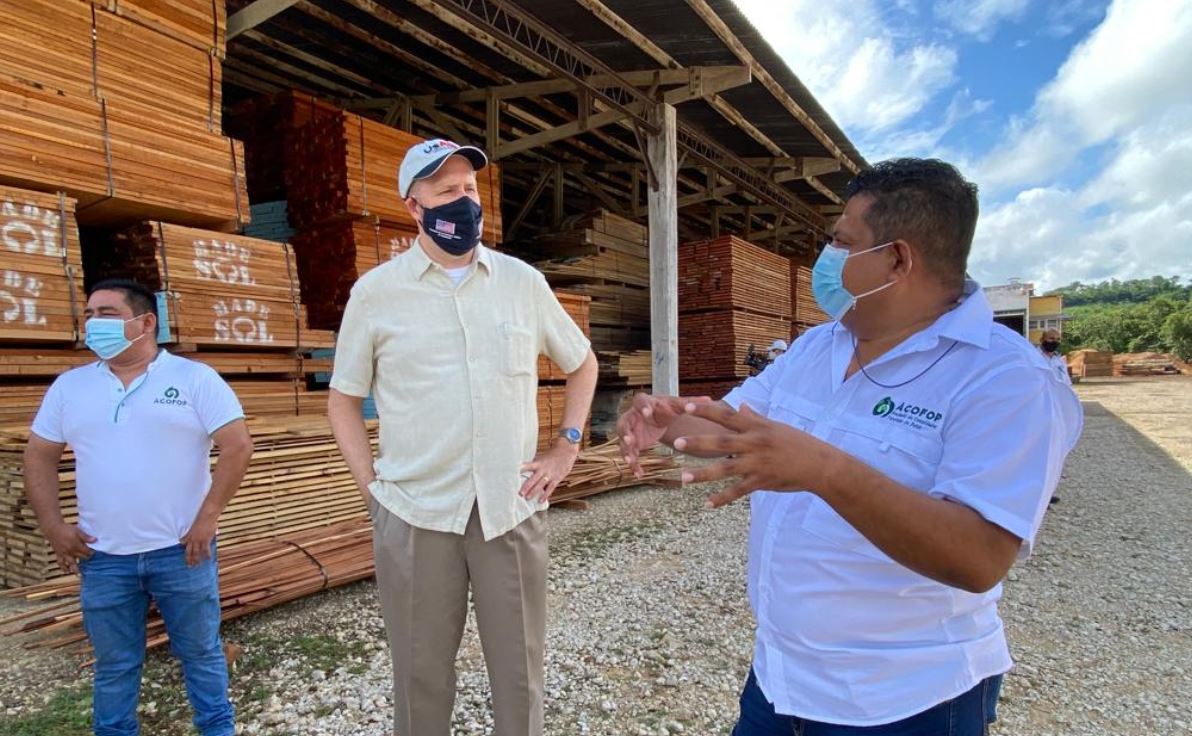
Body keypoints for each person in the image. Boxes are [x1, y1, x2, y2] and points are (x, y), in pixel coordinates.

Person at [618, 159, 1083, 735]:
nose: (825, 258)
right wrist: (662, 421)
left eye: (841, 243)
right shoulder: (818, 347)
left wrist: (825, 470)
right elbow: (735, 428)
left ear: (897, 259)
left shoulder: (1006, 380)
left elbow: (979, 557)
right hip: (781, 680)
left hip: (907, 701)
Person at [327, 138, 598, 736]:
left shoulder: (520, 283)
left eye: (470, 189)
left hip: (511, 506)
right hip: (417, 512)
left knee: (519, 670)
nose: (463, 201)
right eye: (446, 191)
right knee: (420, 673)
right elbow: (342, 398)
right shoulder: (376, 294)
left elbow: (582, 363)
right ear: (414, 207)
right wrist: (372, 488)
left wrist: (566, 445)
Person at [23, 278, 253, 736]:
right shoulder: (71, 387)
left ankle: (217, 729)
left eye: (105, 314)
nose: (92, 324)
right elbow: (39, 454)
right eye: (88, 315)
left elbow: (237, 446)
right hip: (103, 557)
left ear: (145, 322)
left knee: (201, 652)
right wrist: (53, 525)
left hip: (181, 551)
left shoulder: (193, 379)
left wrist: (207, 520)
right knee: (115, 664)